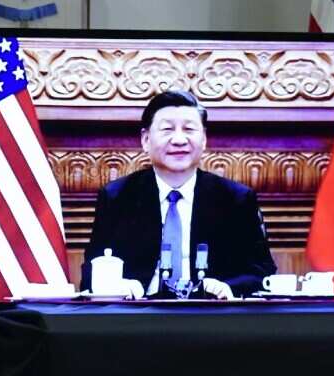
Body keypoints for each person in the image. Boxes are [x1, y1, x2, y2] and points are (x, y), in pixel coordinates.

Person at [80, 90, 276, 299]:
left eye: (189, 129)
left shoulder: (236, 199)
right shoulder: (117, 197)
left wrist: (228, 288)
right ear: (146, 140)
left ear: (204, 140)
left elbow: (262, 271)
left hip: (212, 317)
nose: (179, 140)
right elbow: (91, 272)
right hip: (137, 317)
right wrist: (121, 286)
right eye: (167, 129)